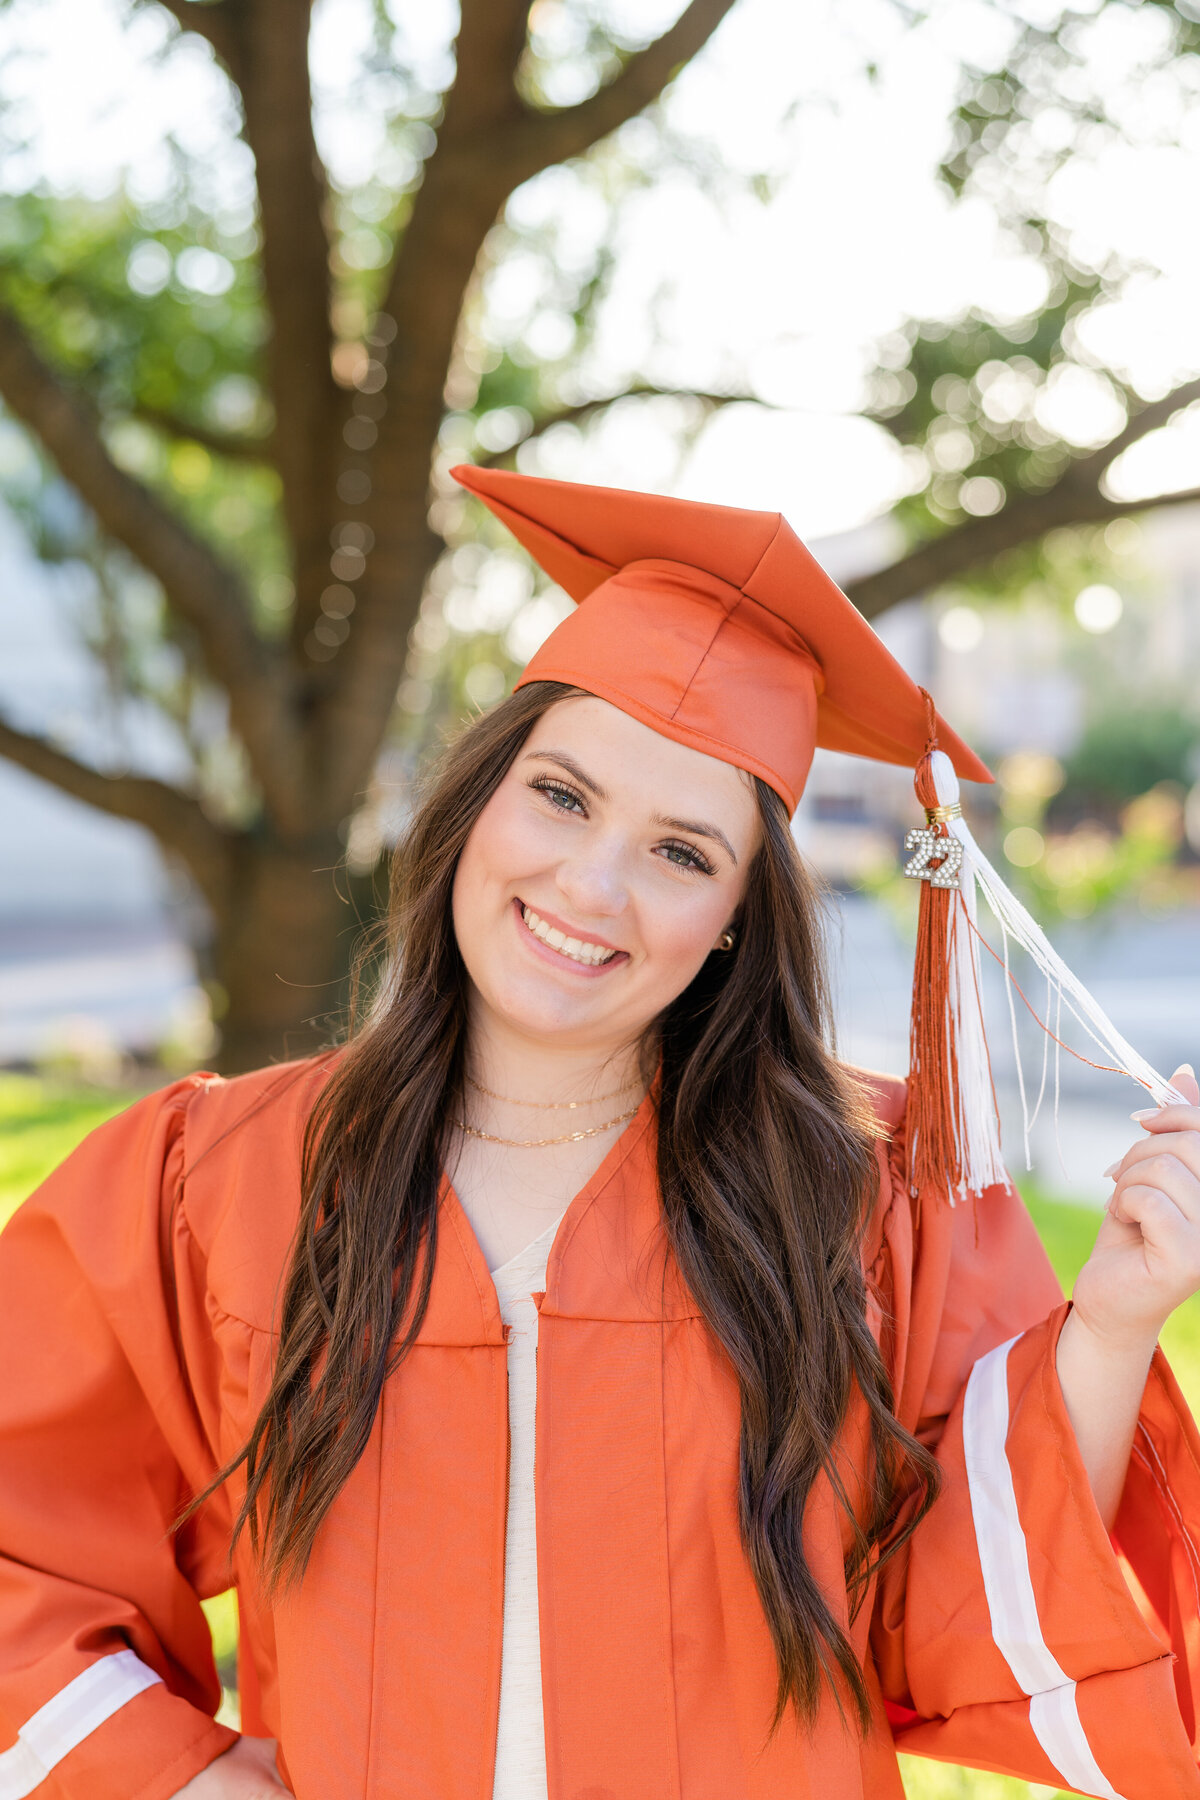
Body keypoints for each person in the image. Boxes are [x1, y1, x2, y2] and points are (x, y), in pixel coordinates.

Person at [2, 468, 1199, 1800]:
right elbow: (19, 1539)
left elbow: (958, 1597)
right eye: (561, 797)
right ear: (475, 805)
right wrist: (186, 1783)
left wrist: (1112, 1322)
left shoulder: (862, 1201)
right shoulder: (226, 1181)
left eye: (682, 852)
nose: (592, 884)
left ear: (738, 915)